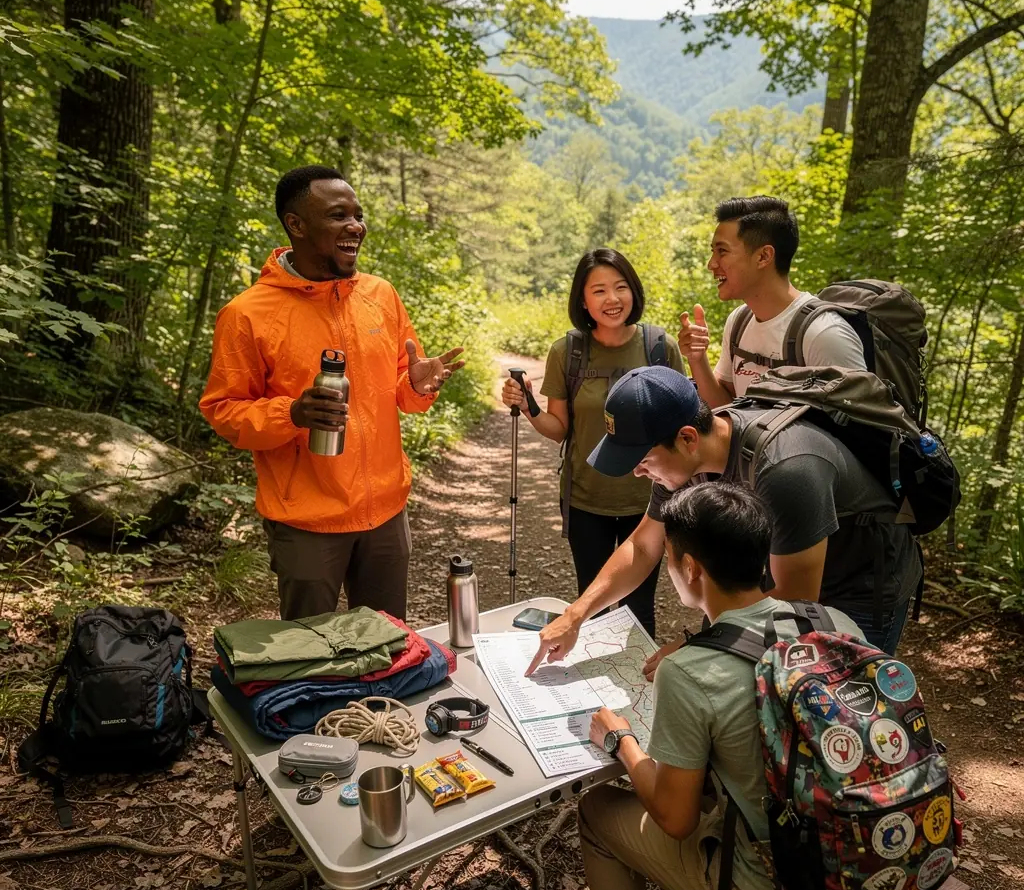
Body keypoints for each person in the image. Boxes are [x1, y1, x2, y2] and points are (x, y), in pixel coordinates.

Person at [554, 482, 858, 890]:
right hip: (859, 865)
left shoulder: (692, 671)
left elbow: (676, 818)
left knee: (597, 810)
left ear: (690, 568)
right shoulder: (831, 621)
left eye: (671, 560)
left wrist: (620, 740)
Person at [527, 366, 920, 673]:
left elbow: (796, 602)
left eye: (642, 460)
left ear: (687, 437)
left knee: (830, 705)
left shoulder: (787, 469)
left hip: (859, 585)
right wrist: (576, 615)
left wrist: (701, 645)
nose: (637, 473)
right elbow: (643, 545)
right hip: (785, 574)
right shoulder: (684, 461)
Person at [200, 165, 464, 621]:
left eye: (358, 215)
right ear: (296, 224)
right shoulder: (247, 314)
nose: (355, 226)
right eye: (338, 215)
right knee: (308, 656)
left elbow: (403, 392)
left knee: (386, 646)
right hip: (306, 520)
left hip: (385, 513)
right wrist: (293, 414)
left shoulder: (380, 295)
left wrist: (418, 386)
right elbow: (224, 410)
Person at [500, 248, 685, 637]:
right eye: (598, 290)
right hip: (586, 499)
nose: (612, 299)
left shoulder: (659, 347)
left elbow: (682, 423)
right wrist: (529, 405)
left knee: (639, 609)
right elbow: (559, 429)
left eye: (620, 287)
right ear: (582, 300)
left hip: (648, 501)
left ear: (633, 292)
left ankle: (642, 694)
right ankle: (597, 692)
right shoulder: (567, 352)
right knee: (592, 604)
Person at [679, 196, 864, 404]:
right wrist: (698, 360)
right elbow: (725, 408)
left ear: (764, 257)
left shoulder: (824, 335)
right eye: (713, 251)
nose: (711, 264)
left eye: (722, 251)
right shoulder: (739, 322)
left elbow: (861, 429)